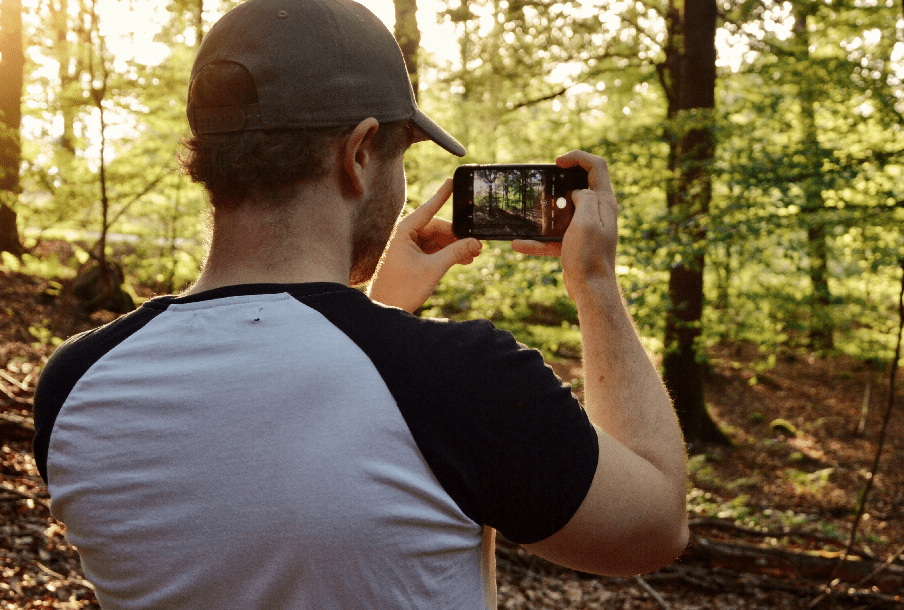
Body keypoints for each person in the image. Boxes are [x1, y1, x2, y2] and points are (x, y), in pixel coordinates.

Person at [32, 0, 689, 607]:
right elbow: (656, 526)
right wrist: (595, 285)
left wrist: (383, 312)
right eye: (398, 157)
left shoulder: (73, 385)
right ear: (360, 153)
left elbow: (275, 463)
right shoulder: (463, 380)